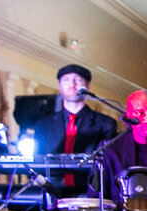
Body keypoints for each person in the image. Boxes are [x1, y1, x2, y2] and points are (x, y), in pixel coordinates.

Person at [26, 63, 119, 197]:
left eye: (77, 80)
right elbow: (37, 160)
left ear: (87, 86)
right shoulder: (43, 124)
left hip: (89, 192)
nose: (72, 84)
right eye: (66, 80)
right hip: (52, 191)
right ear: (59, 85)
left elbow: (106, 164)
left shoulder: (105, 124)